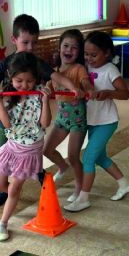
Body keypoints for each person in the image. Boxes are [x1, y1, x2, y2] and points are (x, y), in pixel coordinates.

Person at [0, 14, 73, 207]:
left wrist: (74, 88)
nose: (30, 47)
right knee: (1, 156)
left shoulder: (38, 64)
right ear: (14, 40)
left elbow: (56, 77)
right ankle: (4, 189)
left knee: (29, 155)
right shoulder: (6, 63)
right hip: (8, 122)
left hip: (31, 125)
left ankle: (37, 173)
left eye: (34, 42)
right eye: (25, 42)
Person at [0, 54, 55, 241]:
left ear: (36, 79)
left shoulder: (39, 93)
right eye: (19, 81)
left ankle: (3, 223)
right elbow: (7, 125)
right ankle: (14, 195)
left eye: (29, 81)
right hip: (12, 145)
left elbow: (45, 123)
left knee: (14, 188)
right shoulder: (8, 94)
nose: (24, 85)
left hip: (30, 150)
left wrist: (45, 101)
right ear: (11, 77)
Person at [66, 31, 129, 211]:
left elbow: (125, 94)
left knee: (88, 157)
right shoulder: (85, 68)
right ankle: (124, 184)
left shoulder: (110, 70)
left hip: (107, 121)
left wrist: (109, 93)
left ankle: (83, 198)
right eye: (86, 54)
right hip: (91, 121)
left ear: (107, 53)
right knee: (100, 157)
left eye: (94, 55)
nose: (89, 58)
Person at [43, 29, 91, 184]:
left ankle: (80, 189)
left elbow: (85, 82)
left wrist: (88, 89)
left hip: (78, 121)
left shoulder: (79, 69)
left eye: (74, 47)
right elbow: (48, 87)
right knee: (46, 150)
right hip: (62, 120)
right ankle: (63, 167)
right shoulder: (54, 72)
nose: (69, 50)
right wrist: (44, 91)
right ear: (59, 48)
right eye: (66, 46)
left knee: (73, 156)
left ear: (79, 52)